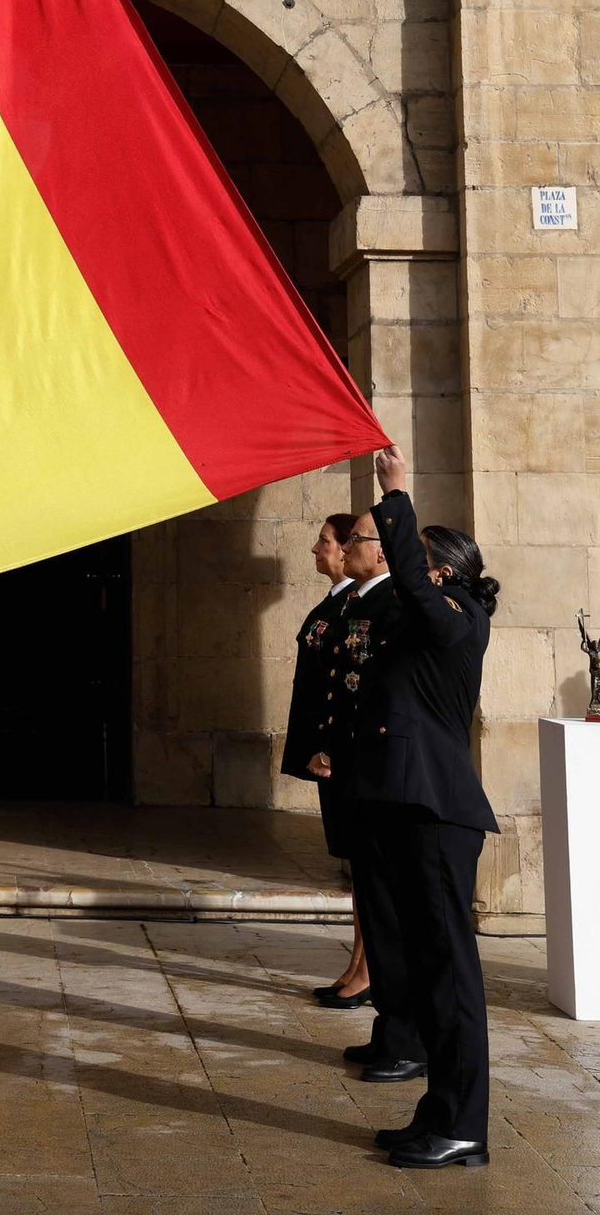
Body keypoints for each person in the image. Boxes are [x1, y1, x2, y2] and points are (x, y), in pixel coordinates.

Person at [350, 445, 499, 1171]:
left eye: (413, 560)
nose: (397, 568)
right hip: (407, 811)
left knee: (450, 976)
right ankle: (438, 1113)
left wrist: (396, 492)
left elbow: (406, 578)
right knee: (426, 970)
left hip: (439, 818)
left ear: (438, 572)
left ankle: (462, 1125)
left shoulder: (459, 617)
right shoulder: (418, 624)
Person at [305, 506, 404, 1068]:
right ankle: (386, 1020)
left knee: (386, 901)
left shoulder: (391, 604)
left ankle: (395, 1024)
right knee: (367, 886)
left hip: (378, 773)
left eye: (352, 541)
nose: (338, 551)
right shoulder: (359, 603)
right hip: (351, 765)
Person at [280, 511, 370, 1009]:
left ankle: (367, 968)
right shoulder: (333, 604)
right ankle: (357, 963)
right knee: (357, 866)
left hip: (342, 755)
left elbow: (348, 687)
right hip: (325, 752)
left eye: (324, 541)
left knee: (366, 866)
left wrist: (328, 747)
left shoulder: (355, 607)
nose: (317, 550)